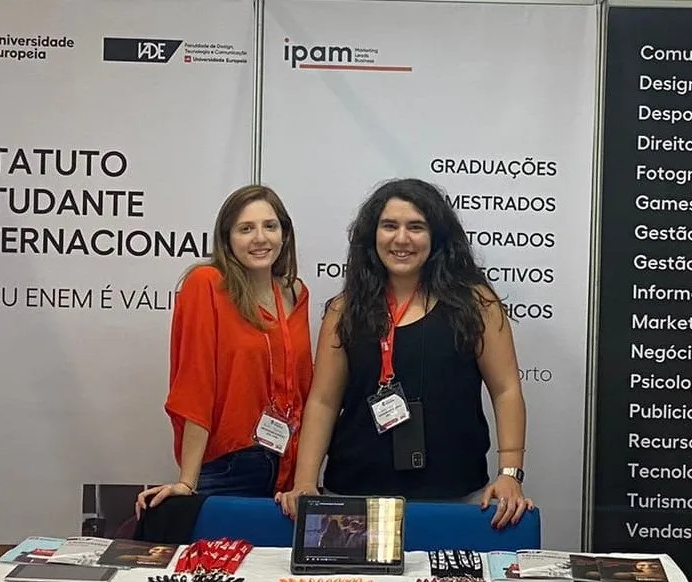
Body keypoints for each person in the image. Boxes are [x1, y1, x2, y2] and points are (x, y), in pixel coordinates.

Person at [276, 178, 533, 529]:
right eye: (389, 226)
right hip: (353, 497)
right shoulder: (344, 310)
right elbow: (323, 401)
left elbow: (506, 390)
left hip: (455, 496)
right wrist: (305, 481)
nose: (401, 239)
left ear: (436, 236)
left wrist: (510, 473)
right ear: (372, 235)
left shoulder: (476, 304)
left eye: (416, 227)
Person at [135, 185, 313, 517]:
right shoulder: (207, 284)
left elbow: (304, 389)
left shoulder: (295, 293)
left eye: (270, 226)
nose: (260, 238)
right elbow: (196, 382)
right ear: (227, 238)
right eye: (246, 229)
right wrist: (188, 481)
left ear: (285, 234)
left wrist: (304, 476)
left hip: (287, 472)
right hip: (230, 467)